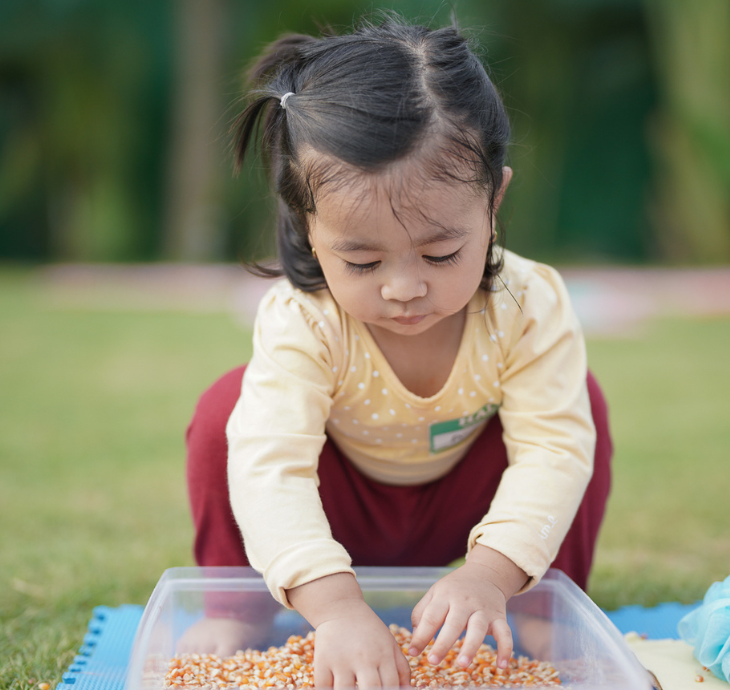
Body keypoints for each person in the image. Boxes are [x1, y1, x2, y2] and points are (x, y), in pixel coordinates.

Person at [184, 16, 613, 689]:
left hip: (468, 505)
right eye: (361, 260)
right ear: (308, 226)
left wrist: (490, 575)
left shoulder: (530, 305)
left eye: (442, 253)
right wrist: (333, 610)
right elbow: (272, 469)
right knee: (224, 413)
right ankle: (236, 605)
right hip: (339, 502)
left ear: (494, 200)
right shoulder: (305, 319)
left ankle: (539, 607)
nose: (406, 288)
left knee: (580, 406)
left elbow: (553, 452)